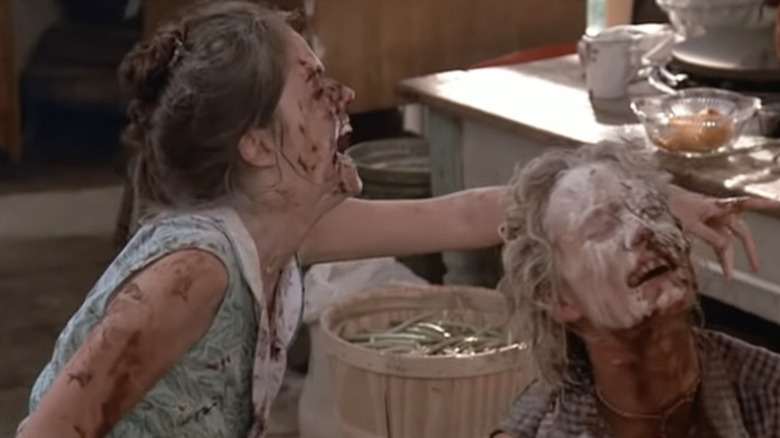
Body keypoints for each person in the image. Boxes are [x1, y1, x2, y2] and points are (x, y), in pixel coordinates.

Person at [15, 2, 775, 438]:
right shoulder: (193, 272)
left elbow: (473, 213)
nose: (343, 96)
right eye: (314, 87)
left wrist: (654, 197)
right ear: (257, 146)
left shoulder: (283, 230)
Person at [492, 142, 780, 438]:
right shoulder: (538, 427)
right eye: (602, 227)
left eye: (652, 211)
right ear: (558, 299)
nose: (643, 229)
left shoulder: (768, 394)